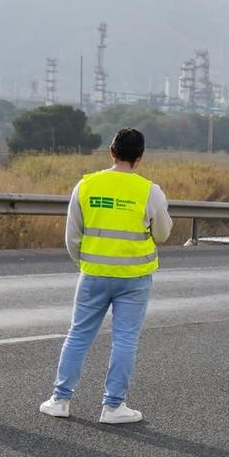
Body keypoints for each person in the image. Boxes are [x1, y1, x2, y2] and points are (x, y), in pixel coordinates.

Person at [39, 128, 173, 424]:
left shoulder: (86, 186)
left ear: (111, 151)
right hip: (135, 277)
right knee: (125, 339)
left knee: (78, 335)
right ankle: (114, 407)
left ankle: (60, 399)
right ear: (139, 158)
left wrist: (87, 262)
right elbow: (162, 234)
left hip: (94, 275)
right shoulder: (149, 190)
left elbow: (72, 237)